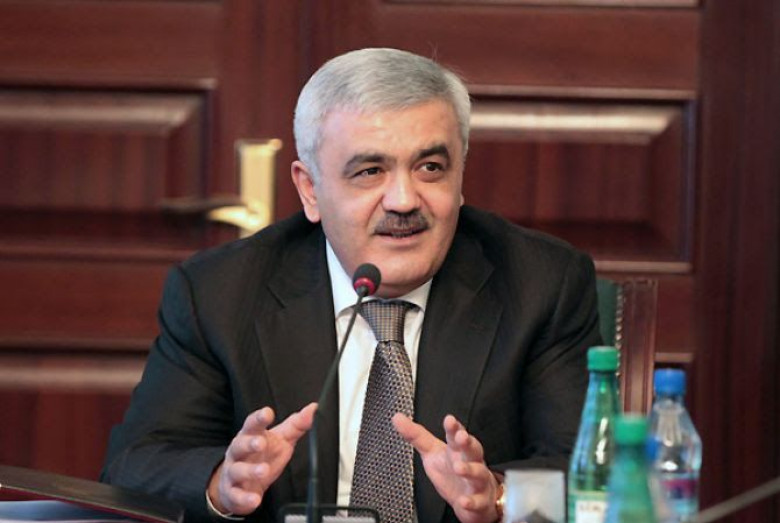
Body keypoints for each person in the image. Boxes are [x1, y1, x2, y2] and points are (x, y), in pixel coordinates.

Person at [101, 48, 601, 523]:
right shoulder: (220, 292)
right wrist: (221, 483)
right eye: (369, 171)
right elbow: (136, 466)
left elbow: (589, 477)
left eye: (430, 168)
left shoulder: (540, 284)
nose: (404, 200)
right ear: (310, 190)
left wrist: (499, 496)